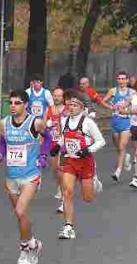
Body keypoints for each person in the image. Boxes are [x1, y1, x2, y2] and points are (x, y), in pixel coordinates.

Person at [0, 89, 49, 264]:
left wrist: (43, 156)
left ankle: (25, 249)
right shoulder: (4, 123)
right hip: (11, 177)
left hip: (30, 175)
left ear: (26, 104)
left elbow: (48, 140)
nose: (12, 106)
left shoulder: (36, 123)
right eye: (10, 103)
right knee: (21, 215)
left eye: (17, 103)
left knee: (19, 211)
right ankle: (33, 243)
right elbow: (2, 143)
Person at [51, 90, 105, 239]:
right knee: (67, 192)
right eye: (71, 104)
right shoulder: (64, 121)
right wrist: (57, 146)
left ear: (82, 107)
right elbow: (63, 138)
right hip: (70, 160)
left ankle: (94, 180)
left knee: (88, 198)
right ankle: (68, 227)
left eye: (75, 105)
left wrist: (88, 150)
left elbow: (101, 141)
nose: (72, 107)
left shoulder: (88, 123)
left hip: (86, 162)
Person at [101, 71, 136, 182]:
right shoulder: (113, 91)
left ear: (127, 80)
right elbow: (103, 101)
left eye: (123, 79)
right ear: (117, 80)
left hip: (126, 121)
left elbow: (134, 106)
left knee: (121, 147)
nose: (121, 81)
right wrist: (110, 108)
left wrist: (127, 108)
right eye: (119, 79)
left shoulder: (132, 92)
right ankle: (125, 157)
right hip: (115, 121)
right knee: (118, 147)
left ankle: (118, 171)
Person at [45, 87, 66, 213]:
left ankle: (64, 201)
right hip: (53, 142)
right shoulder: (49, 110)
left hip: (64, 143)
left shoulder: (67, 110)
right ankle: (60, 186)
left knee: (62, 170)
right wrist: (47, 124)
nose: (56, 97)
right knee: (55, 171)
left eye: (59, 95)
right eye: (55, 95)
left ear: (63, 97)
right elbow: (42, 126)